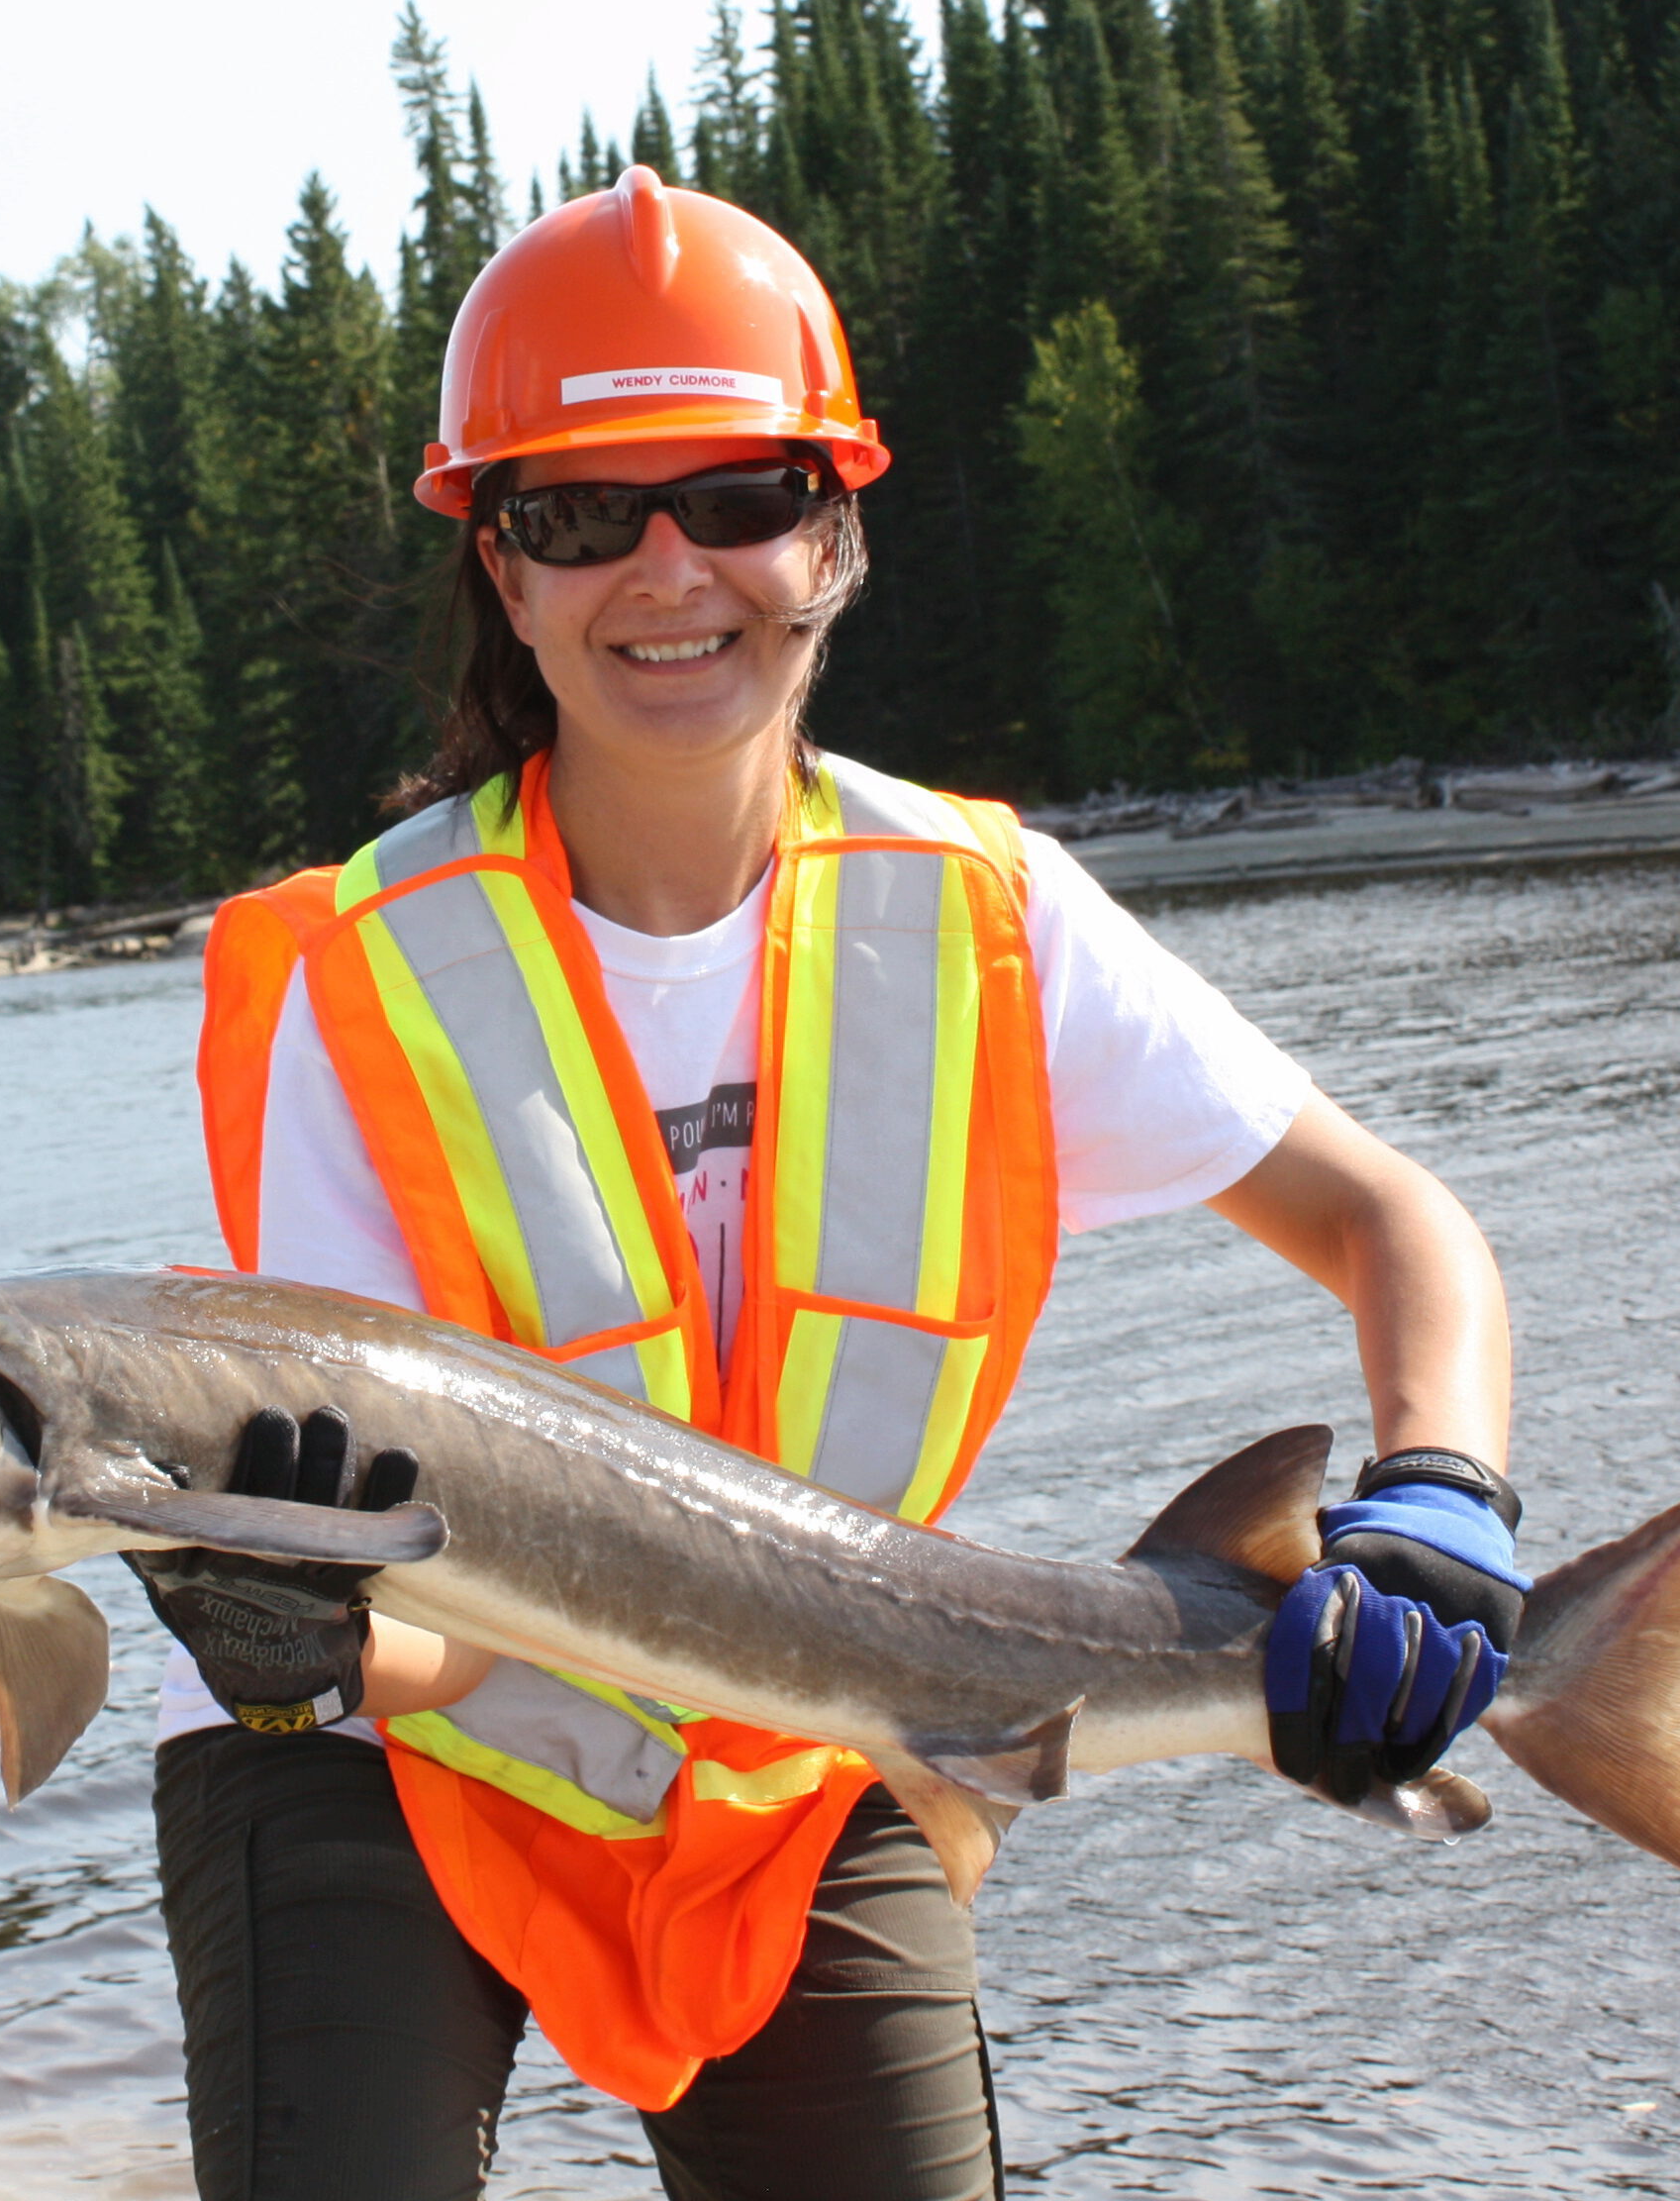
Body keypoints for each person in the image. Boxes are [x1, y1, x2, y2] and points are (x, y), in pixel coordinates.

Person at [139, 166, 1520, 2201]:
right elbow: (414, 1612)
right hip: (384, 1744)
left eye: (738, 491)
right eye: (581, 512)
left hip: (805, 1744)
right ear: (501, 573)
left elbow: (1392, 1222)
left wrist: (1443, 1501)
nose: (667, 565)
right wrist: (314, 1646)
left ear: (837, 530)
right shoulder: (347, 980)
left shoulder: (989, 917)